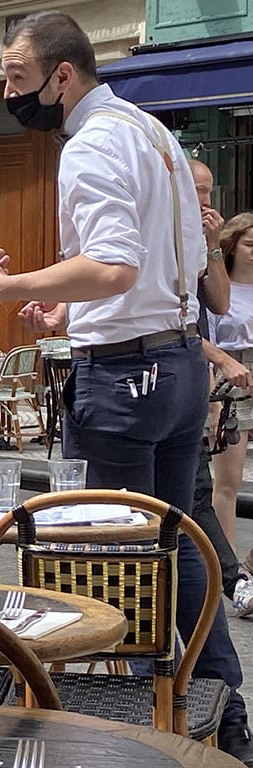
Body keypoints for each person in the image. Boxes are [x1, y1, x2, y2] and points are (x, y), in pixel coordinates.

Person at [0, 11, 253, 763]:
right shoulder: (149, 131)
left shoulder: (91, 145)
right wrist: (65, 302)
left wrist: (13, 281)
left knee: (115, 552)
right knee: (181, 538)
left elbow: (116, 265)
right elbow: (168, 263)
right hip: (178, 361)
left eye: (16, 77)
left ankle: (131, 728)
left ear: (62, 75)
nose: (7, 90)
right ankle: (222, 707)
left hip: (126, 375)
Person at [186, 160, 248, 609]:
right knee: (212, 486)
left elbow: (218, 300)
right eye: (197, 191)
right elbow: (183, 324)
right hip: (212, 372)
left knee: (199, 491)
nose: (205, 201)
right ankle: (228, 579)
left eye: (209, 191)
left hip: (203, 372)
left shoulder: (197, 244)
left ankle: (230, 574)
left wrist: (210, 244)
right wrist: (222, 361)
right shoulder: (160, 237)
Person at [207, 213, 253, 599]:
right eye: (250, 244)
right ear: (233, 245)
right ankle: (231, 571)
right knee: (229, 481)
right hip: (232, 375)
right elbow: (207, 340)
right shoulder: (221, 288)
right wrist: (212, 406)